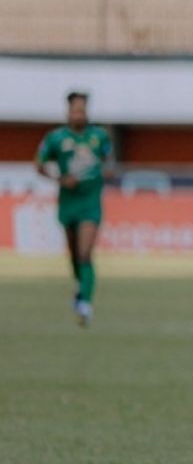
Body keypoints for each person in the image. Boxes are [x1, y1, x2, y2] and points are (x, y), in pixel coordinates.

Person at [35, 90, 115, 326]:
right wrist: (60, 180)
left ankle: (85, 303)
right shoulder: (56, 138)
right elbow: (39, 165)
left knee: (85, 252)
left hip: (91, 203)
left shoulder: (99, 136)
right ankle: (80, 286)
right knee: (73, 254)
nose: (79, 114)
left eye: (82, 110)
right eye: (75, 110)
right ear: (68, 111)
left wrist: (107, 170)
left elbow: (109, 161)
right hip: (68, 202)